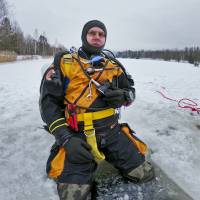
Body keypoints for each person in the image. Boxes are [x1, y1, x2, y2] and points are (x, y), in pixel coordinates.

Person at [39, 20, 154, 200]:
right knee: (73, 194)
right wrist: (66, 138)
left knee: (144, 173)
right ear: (84, 36)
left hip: (112, 132)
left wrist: (125, 97)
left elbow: (131, 91)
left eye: (101, 34)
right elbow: (48, 105)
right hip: (77, 135)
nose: (97, 37)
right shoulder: (65, 63)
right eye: (92, 33)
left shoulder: (114, 66)